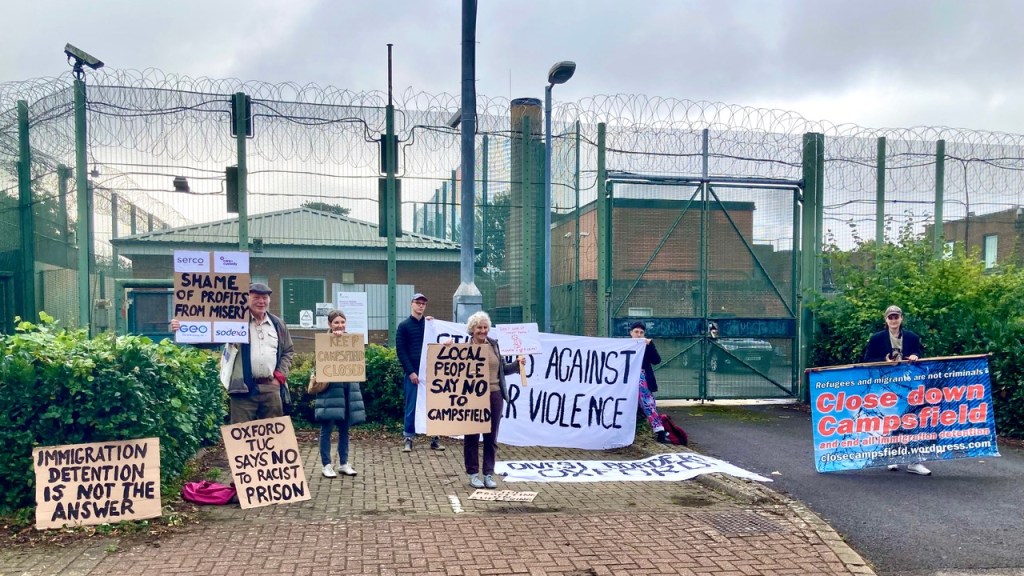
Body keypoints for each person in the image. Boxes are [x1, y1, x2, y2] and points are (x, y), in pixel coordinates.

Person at [172, 282, 294, 424]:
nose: (261, 301)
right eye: (256, 297)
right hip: (242, 388)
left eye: (265, 298)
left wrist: (278, 377)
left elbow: (288, 350)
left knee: (273, 436)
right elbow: (210, 340)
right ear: (246, 298)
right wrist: (184, 330)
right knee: (241, 436)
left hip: (271, 388)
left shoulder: (278, 324)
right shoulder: (235, 322)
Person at [452, 311, 524, 489]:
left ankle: (488, 474)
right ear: (472, 329)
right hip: (473, 397)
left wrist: (516, 366)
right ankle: (473, 474)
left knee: (491, 437)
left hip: (495, 395)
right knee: (472, 436)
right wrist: (445, 346)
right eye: (479, 327)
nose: (483, 331)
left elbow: (502, 370)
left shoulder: (495, 346)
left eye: (485, 327)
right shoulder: (464, 349)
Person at [862, 305, 930, 476]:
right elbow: (867, 360)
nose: (893, 320)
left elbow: (919, 356)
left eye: (896, 317)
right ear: (886, 320)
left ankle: (915, 461)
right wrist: (884, 361)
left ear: (901, 318)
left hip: (910, 386)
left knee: (912, 421)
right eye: (890, 317)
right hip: (886, 385)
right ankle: (891, 457)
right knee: (891, 421)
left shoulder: (912, 337)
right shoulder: (877, 338)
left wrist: (915, 356)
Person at [314, 310, 366, 478]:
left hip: (347, 391)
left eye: (342, 322)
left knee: (345, 430)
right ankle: (326, 465)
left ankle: (344, 463)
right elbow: (318, 364)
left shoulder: (352, 342)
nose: (340, 325)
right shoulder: (323, 343)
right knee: (326, 429)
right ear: (330, 324)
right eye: (336, 322)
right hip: (330, 392)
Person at [395, 292, 443, 452]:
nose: (421, 305)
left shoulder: (429, 324)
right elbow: (401, 351)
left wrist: (433, 324)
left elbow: (438, 342)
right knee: (412, 406)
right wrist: (411, 372)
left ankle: (435, 438)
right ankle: (408, 438)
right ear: (412, 304)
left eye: (423, 303)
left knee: (434, 405)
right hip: (413, 375)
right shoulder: (403, 326)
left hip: (430, 374)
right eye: (418, 302)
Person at [630, 321, 668, 444]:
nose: (639, 334)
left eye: (641, 332)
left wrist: (649, 346)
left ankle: (660, 432)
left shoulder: (646, 345)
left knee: (648, 404)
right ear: (631, 333)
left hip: (642, 379)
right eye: (636, 332)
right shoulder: (625, 345)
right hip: (628, 380)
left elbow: (656, 360)